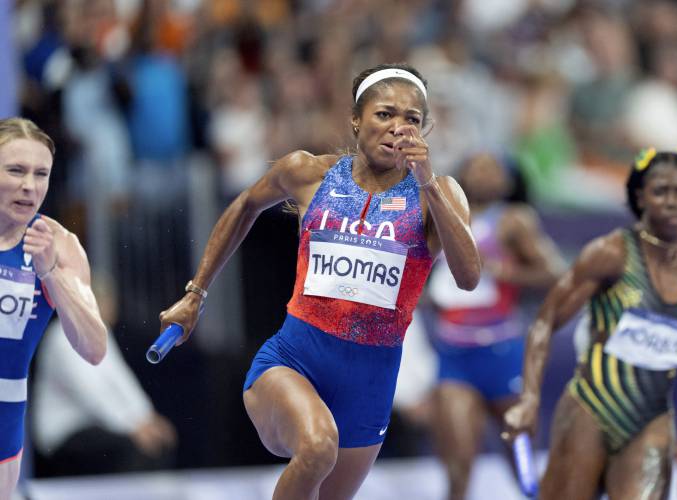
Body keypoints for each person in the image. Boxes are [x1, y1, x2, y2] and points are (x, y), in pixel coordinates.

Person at [159, 62, 481, 499]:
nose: (398, 129)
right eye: (384, 114)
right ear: (355, 119)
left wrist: (428, 185)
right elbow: (244, 206)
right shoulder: (309, 173)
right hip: (293, 361)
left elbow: (468, 277)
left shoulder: (437, 195)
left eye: (412, 120)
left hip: (369, 387)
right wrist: (196, 293)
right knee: (316, 447)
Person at [504, 147, 677, 499]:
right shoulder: (611, 254)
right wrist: (530, 399)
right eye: (660, 191)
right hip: (589, 408)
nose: (671, 201)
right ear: (640, 196)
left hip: (652, 421)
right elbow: (545, 322)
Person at [425, 153, 563, 500]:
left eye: (494, 168)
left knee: (524, 465)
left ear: (507, 181)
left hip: (502, 353)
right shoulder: (441, 215)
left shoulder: (513, 221)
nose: (485, 174)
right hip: (453, 355)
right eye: (477, 165)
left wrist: (503, 272)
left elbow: (555, 275)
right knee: (457, 467)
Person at [0, 117, 107, 500]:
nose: (29, 186)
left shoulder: (59, 244)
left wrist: (49, 274)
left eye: (40, 174)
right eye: (15, 170)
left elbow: (94, 348)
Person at [32, 273, 176, 477]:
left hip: (98, 424)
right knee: (132, 447)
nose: (113, 306)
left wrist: (147, 416)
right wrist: (133, 427)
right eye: (107, 300)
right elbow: (91, 392)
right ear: (89, 301)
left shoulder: (102, 334)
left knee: (159, 441)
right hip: (64, 432)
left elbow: (122, 381)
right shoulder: (63, 335)